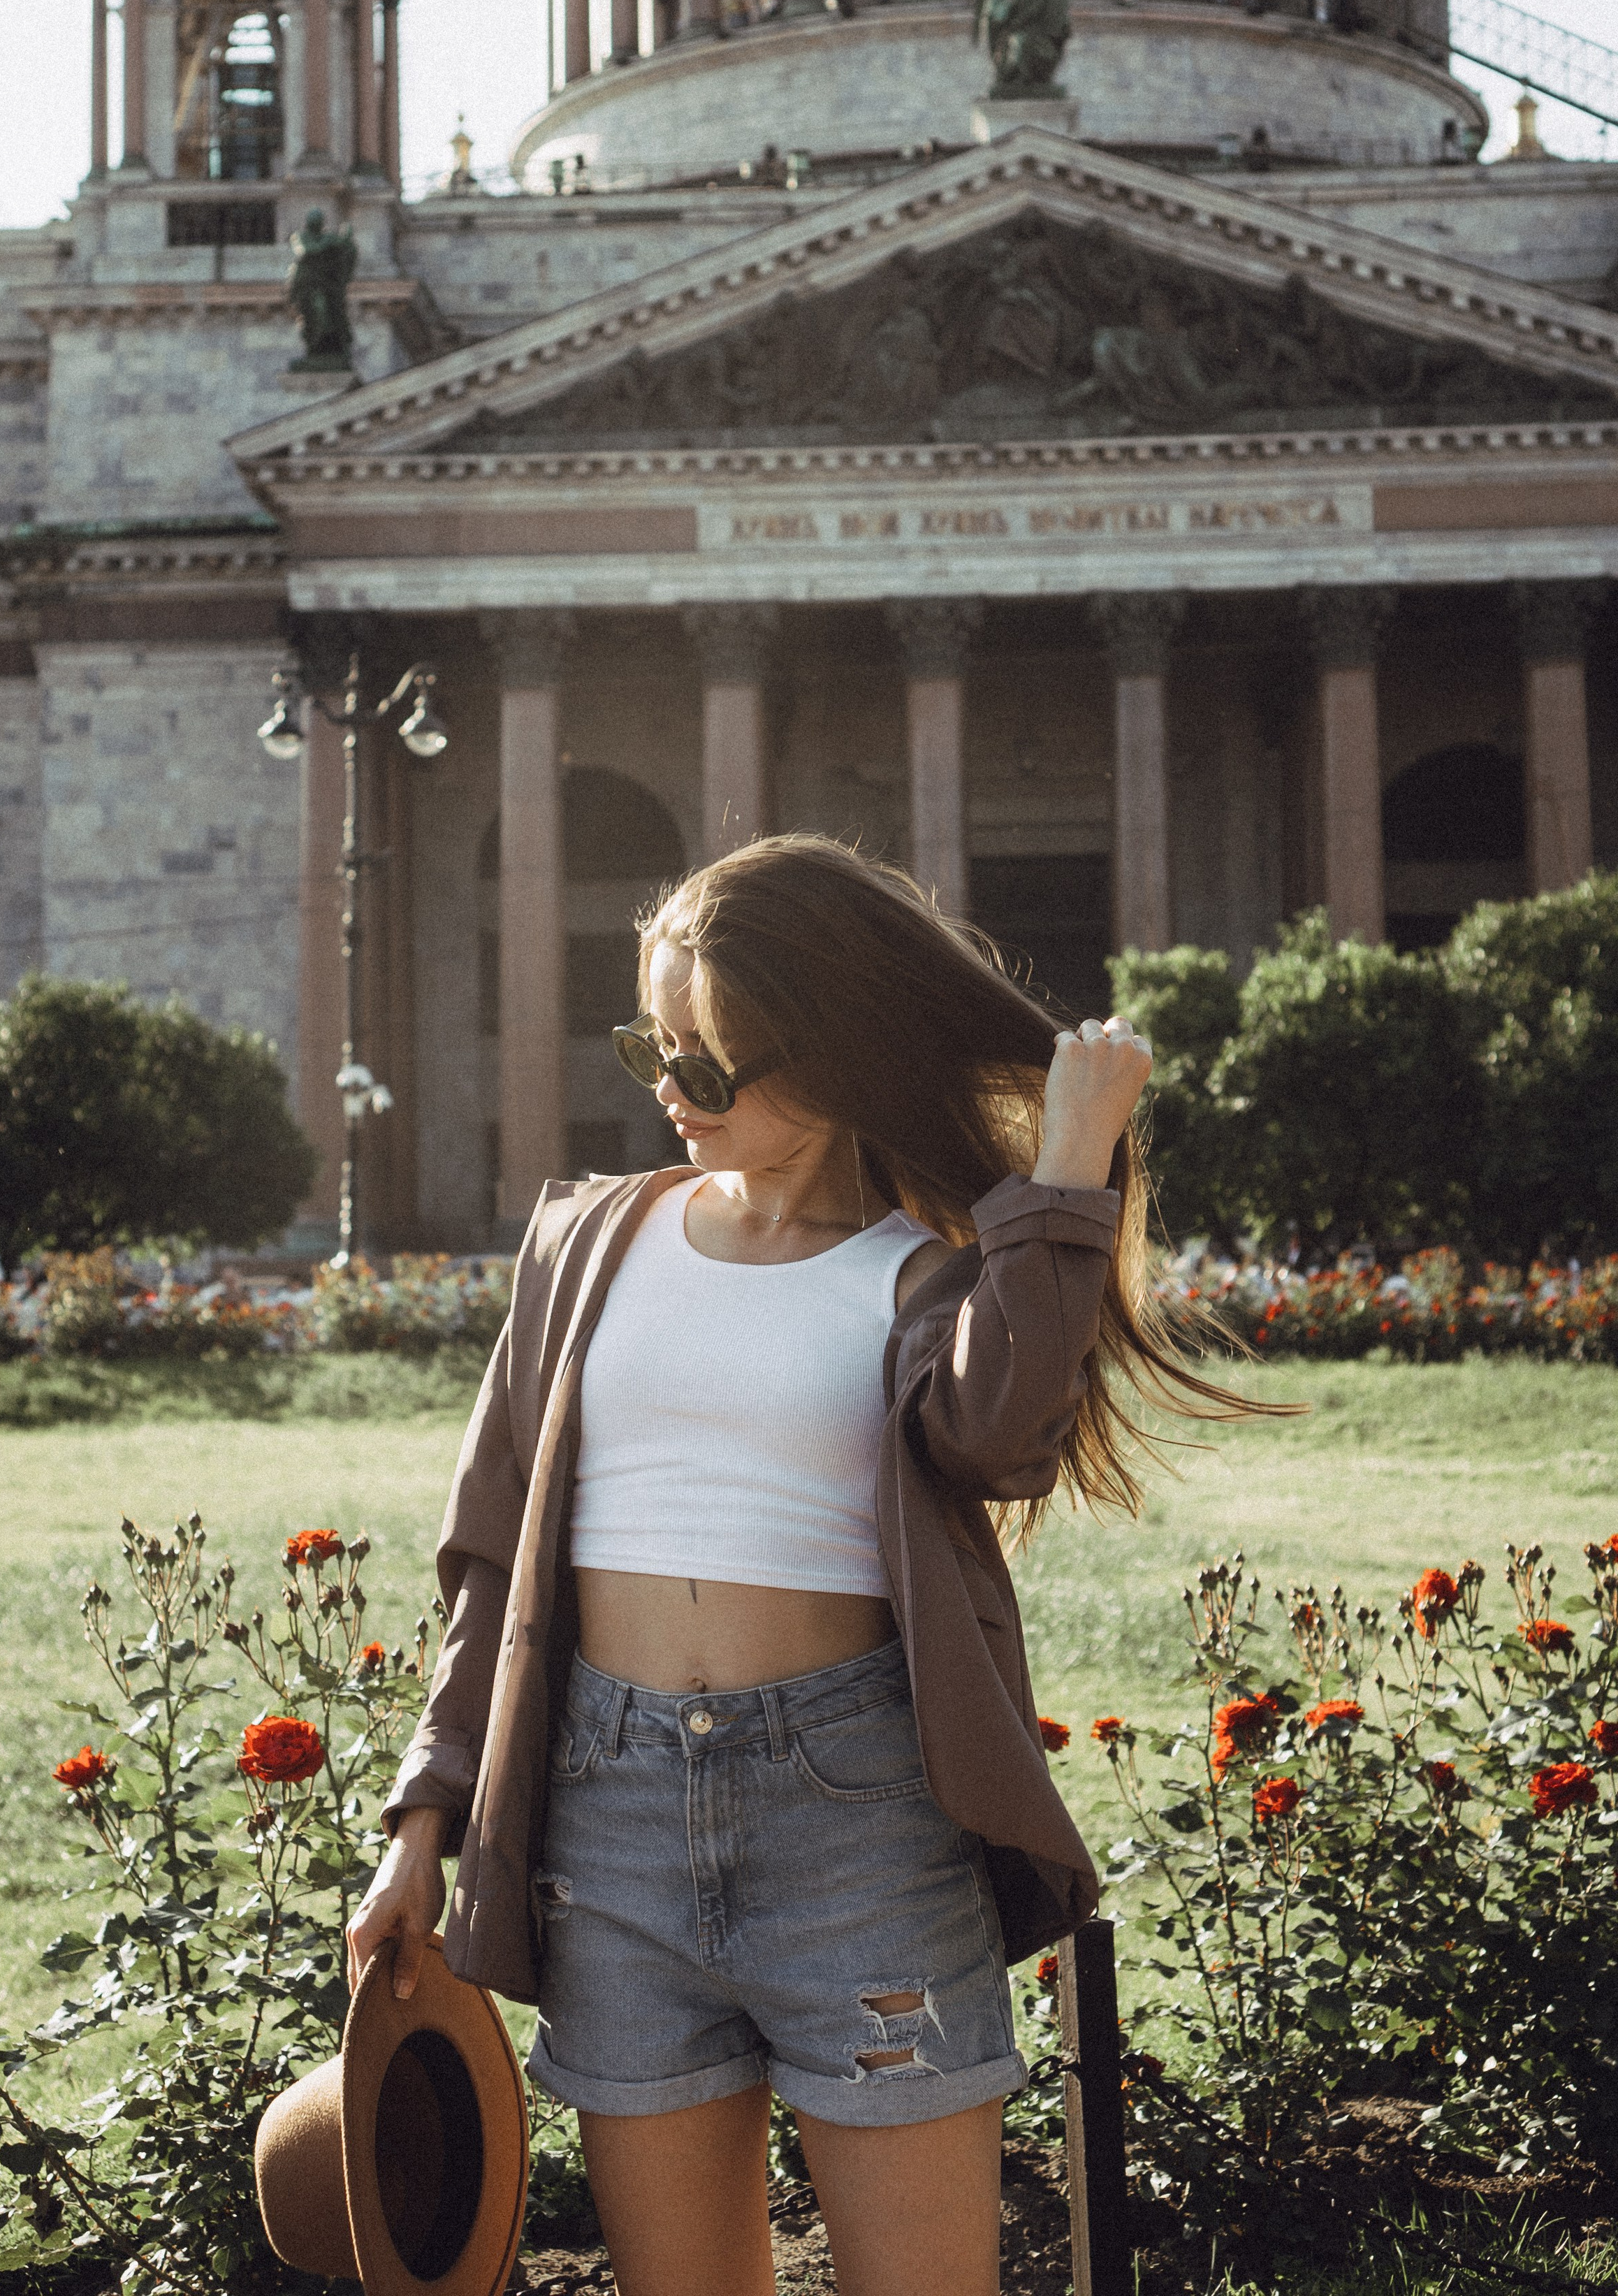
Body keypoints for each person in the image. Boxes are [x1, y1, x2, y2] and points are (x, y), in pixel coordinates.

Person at [348, 836, 1252, 2296]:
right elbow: (488, 1552)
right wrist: (420, 1819)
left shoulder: (924, 1274)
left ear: (834, 1055)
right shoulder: (586, 1242)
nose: (668, 1091)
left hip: (859, 1828)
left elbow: (1006, 1436)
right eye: (656, 1046)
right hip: (608, 1828)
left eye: (711, 1067)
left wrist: (1068, 1168)